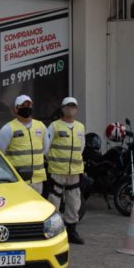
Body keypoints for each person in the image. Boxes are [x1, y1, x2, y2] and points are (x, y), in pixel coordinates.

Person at [45, 97, 86, 245]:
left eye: (73, 106)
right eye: (68, 106)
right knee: (54, 200)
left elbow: (81, 147)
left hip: (74, 171)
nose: (71, 109)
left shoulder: (80, 127)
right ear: (62, 108)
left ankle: (71, 231)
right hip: (57, 170)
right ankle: (52, 231)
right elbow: (46, 148)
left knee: (74, 202)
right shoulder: (54, 126)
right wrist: (54, 161)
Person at [0, 95, 49, 193]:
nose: (26, 107)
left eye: (28, 105)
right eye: (23, 105)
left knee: (36, 208)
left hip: (37, 180)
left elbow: (45, 149)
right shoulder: (8, 128)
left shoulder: (40, 126)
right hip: (18, 180)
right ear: (16, 109)